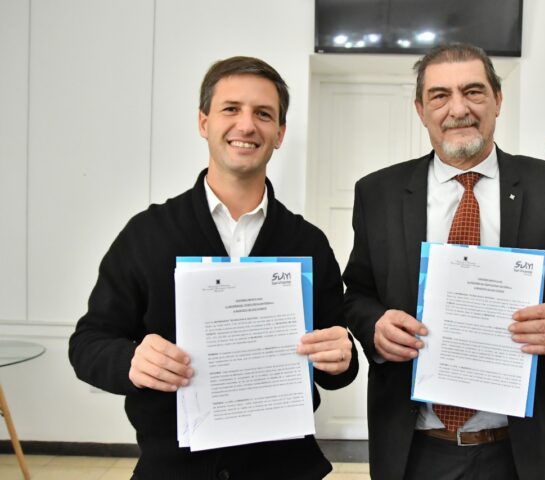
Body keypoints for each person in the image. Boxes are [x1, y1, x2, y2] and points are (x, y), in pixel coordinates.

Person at [69, 56, 358, 480]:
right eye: (231, 109)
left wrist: (342, 358)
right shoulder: (147, 233)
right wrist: (130, 359)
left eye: (263, 114)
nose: (246, 125)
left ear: (279, 134)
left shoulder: (308, 243)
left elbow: (336, 365)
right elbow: (87, 343)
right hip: (173, 469)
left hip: (284, 470)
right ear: (204, 122)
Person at [343, 44, 545, 480]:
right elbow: (356, 294)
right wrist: (374, 327)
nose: (458, 109)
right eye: (439, 95)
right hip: (412, 448)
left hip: (517, 452)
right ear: (420, 108)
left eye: (473, 92)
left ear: (498, 100)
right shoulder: (378, 193)